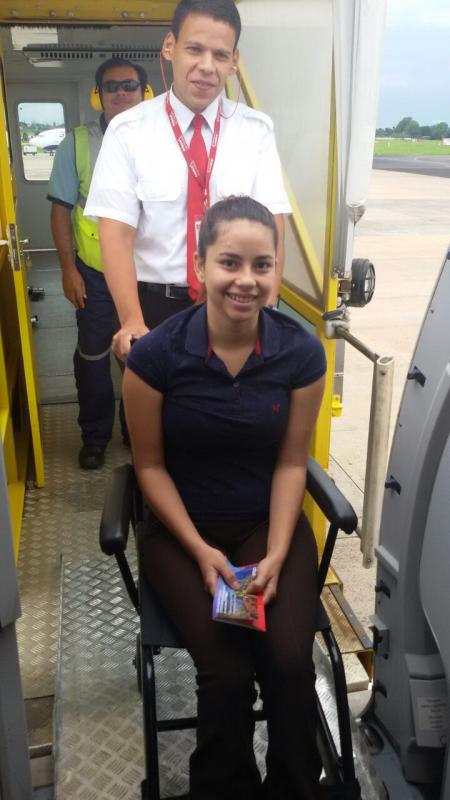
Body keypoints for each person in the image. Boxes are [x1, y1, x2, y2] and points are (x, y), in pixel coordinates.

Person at [123, 196, 327, 800]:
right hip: (182, 534)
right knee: (228, 672)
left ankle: (294, 785)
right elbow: (149, 466)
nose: (246, 280)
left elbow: (291, 462)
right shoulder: (156, 356)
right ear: (200, 264)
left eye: (262, 265)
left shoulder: (301, 353)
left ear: (275, 269)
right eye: (230, 262)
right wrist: (200, 550)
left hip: (266, 526)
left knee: (289, 662)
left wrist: (278, 552)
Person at [84, 0, 291, 362]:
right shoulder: (128, 131)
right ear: (170, 47)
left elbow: (272, 225)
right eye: (195, 49)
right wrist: (132, 319)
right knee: (152, 399)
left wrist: (267, 308)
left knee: (229, 398)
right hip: (153, 307)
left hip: (233, 303)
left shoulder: (256, 130)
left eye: (220, 54)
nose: (207, 66)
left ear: (234, 61)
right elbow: (116, 233)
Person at [47, 58, 149, 470]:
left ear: (144, 92)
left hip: (147, 277)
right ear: (98, 95)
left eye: (129, 85)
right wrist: (68, 269)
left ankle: (138, 433)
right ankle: (94, 437)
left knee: (142, 359)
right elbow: (60, 209)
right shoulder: (76, 143)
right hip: (94, 274)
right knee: (91, 358)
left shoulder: (162, 140)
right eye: (111, 86)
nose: (120, 93)